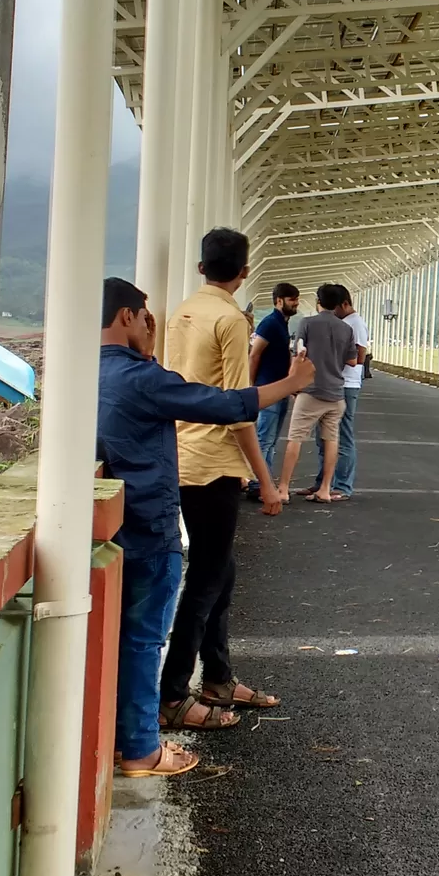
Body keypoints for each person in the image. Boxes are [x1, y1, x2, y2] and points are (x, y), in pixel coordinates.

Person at [96, 277, 313, 776]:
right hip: (148, 526)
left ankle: (125, 738)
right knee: (143, 640)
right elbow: (224, 405)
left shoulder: (89, 371)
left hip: (108, 528)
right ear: (129, 317)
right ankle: (142, 750)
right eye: (144, 317)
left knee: (120, 639)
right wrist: (292, 383)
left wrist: (146, 352)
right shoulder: (141, 378)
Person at [163, 228, 288, 727]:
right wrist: (269, 482)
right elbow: (239, 408)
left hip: (180, 454)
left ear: (200, 268)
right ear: (244, 271)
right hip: (214, 463)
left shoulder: (182, 312)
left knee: (221, 572)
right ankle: (174, 694)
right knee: (208, 578)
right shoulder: (231, 320)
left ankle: (217, 676)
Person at [280, 283, 356, 503]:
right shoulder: (346, 329)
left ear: (318, 302)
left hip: (311, 391)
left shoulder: (307, 323)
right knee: (331, 440)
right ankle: (324, 489)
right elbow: (352, 360)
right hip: (336, 393)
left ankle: (283, 489)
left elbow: (298, 354)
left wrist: (292, 384)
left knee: (295, 438)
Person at [310, 291, 369, 500]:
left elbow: (360, 356)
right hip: (333, 383)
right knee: (323, 436)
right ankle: (322, 482)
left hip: (347, 384)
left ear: (344, 304)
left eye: (334, 308)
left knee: (342, 435)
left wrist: (331, 359)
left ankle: (342, 486)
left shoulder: (355, 323)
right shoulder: (342, 322)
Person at [248, 282, 300, 496]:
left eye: (296, 299)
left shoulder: (281, 324)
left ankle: (262, 483)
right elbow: (254, 354)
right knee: (264, 439)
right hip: (267, 388)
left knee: (269, 441)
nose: (295, 303)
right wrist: (251, 385)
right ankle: (257, 484)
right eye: (291, 299)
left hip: (279, 389)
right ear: (279, 301)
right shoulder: (270, 323)